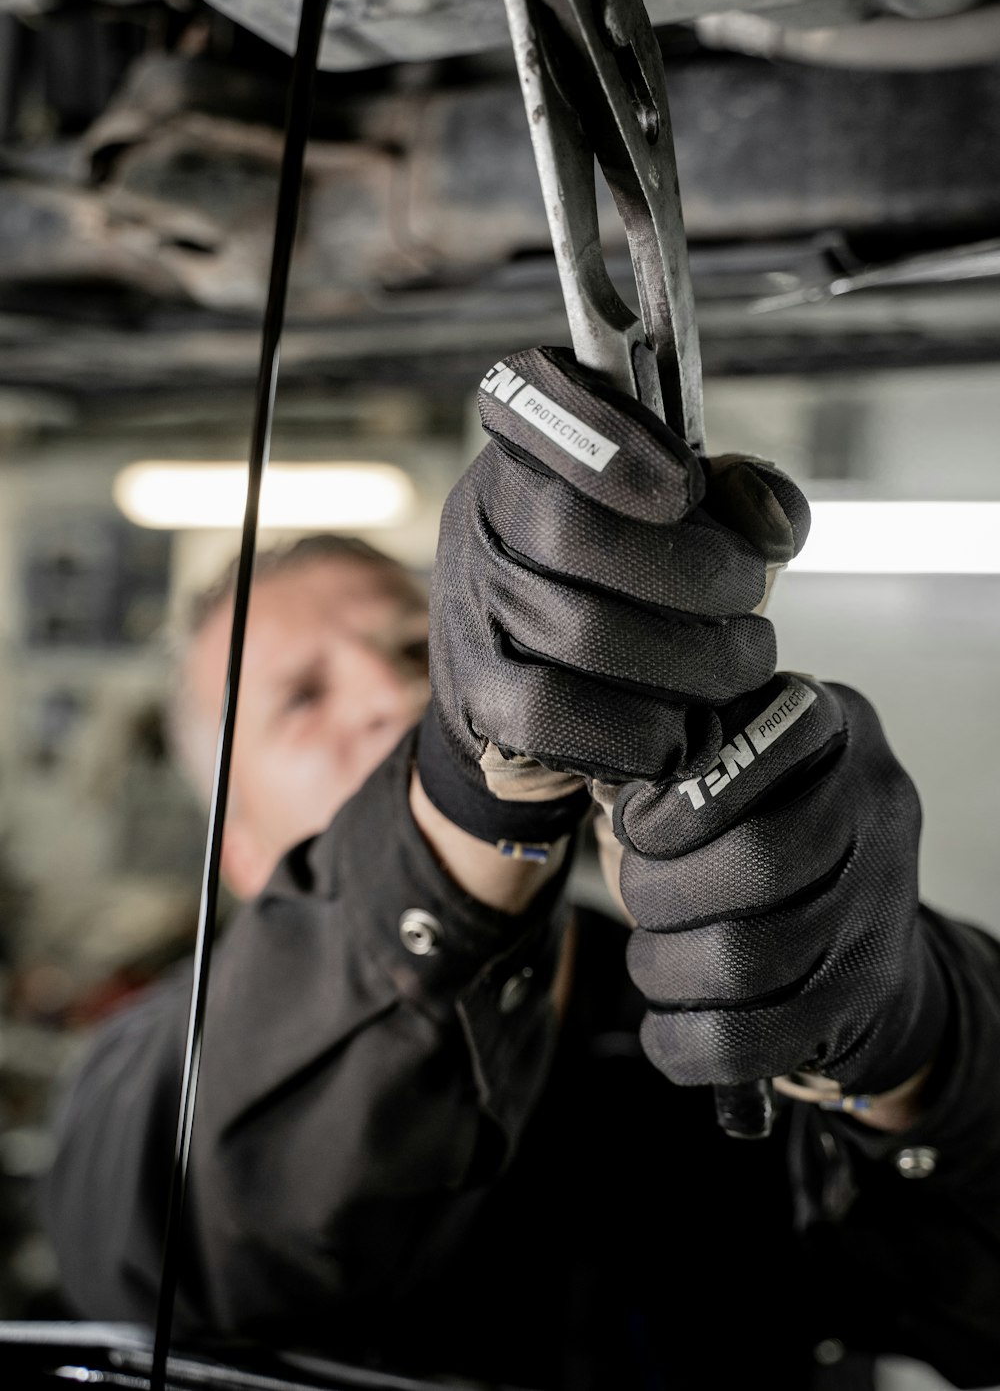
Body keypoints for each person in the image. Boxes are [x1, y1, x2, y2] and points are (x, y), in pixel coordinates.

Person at [44, 350, 1000, 1390]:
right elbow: (184, 1253)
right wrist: (464, 792)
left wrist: (917, 1049)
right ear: (236, 849)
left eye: (417, 649)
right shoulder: (159, 1065)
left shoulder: (706, 977)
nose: (381, 690)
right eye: (300, 698)